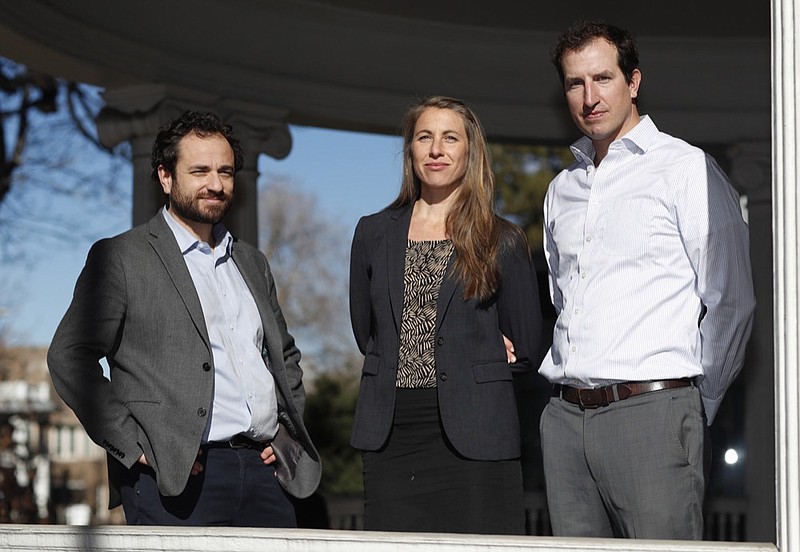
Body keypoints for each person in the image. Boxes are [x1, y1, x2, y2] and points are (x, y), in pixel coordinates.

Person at [47, 111, 320, 526]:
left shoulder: (251, 261)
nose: (216, 183)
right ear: (165, 176)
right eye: (200, 170)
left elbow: (284, 355)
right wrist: (132, 443)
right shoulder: (122, 258)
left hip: (267, 474)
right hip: (173, 479)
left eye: (225, 171)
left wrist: (285, 428)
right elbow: (69, 356)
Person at [538, 21, 756, 539]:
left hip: (654, 414)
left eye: (603, 78)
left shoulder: (685, 169)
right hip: (564, 421)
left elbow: (733, 301)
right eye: (575, 83)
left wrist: (694, 401)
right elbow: (562, 297)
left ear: (633, 81)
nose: (590, 97)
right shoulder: (560, 190)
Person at [349, 95, 542, 534]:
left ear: (469, 151)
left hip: (478, 432)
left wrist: (482, 351)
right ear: (411, 149)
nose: (436, 150)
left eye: (450, 138)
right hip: (391, 434)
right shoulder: (372, 232)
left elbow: (528, 344)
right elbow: (368, 332)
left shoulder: (503, 238)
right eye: (425, 137)